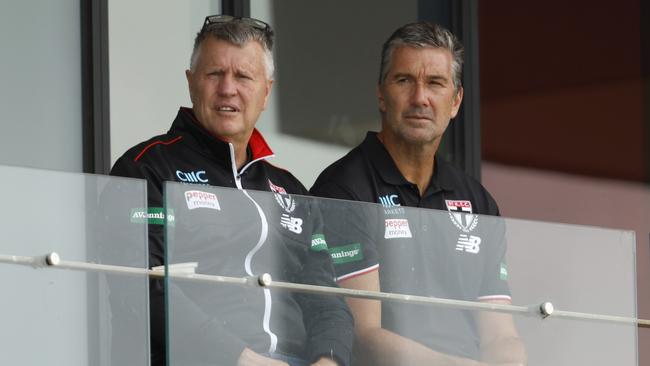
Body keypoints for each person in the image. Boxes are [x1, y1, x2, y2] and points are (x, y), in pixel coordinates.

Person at [110, 15, 352, 366]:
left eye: (243, 76)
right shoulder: (145, 168)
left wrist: (329, 360)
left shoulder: (289, 188)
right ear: (192, 83)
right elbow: (139, 286)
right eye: (214, 74)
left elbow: (326, 299)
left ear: (266, 91)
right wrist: (241, 359)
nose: (228, 89)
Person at [310, 22, 526, 365]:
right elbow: (362, 334)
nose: (420, 98)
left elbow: (501, 334)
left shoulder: (478, 201)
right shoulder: (343, 188)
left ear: (455, 102)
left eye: (435, 83)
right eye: (404, 80)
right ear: (381, 93)